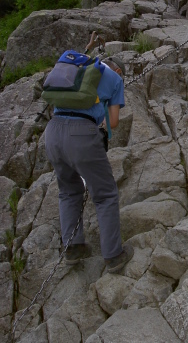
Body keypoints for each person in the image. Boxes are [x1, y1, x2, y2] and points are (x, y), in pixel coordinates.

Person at [44, 35, 133, 273]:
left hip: (52, 133)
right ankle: (113, 255)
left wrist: (90, 46)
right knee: (105, 194)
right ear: (118, 70)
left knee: (68, 191)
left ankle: (73, 248)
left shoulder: (81, 67)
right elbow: (113, 121)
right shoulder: (115, 79)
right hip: (81, 135)